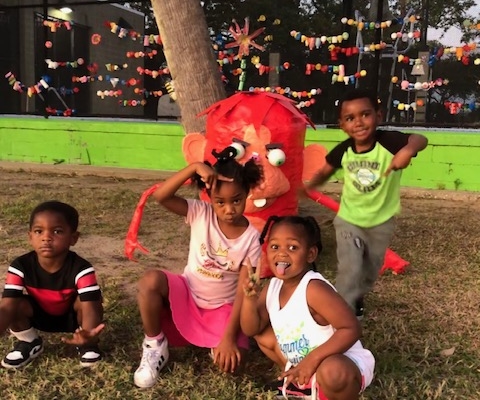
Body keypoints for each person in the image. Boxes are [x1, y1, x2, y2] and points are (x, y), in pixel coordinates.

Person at [133, 150, 263, 389]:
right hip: (187, 295)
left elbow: (243, 292)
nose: (229, 210)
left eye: (237, 200)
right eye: (220, 202)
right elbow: (161, 196)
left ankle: (214, 341)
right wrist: (194, 167)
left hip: (222, 308)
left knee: (235, 364)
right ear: (209, 197)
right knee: (150, 281)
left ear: (247, 194)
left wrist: (228, 338)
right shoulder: (200, 213)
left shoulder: (253, 239)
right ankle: (154, 344)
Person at [304, 89, 428, 318]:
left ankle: (356, 296)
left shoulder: (389, 141)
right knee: (350, 267)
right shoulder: (344, 150)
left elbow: (421, 139)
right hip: (349, 219)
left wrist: (408, 150)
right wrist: (309, 187)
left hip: (380, 222)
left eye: (365, 115)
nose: (359, 122)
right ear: (342, 125)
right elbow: (325, 170)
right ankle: (342, 312)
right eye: (350, 118)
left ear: (378, 116)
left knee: (369, 271)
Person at [240, 216, 375, 400]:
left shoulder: (314, 288)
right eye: (274, 246)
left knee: (333, 371)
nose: (281, 253)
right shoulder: (272, 286)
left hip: (341, 362)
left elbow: (351, 329)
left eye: (292, 247)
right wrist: (249, 299)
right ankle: (302, 384)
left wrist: (312, 360)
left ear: (310, 254)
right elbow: (251, 329)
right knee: (262, 334)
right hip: (303, 363)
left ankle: (326, 391)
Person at [0, 201, 104, 369]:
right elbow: (6, 308)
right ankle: (29, 342)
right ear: (30, 236)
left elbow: (91, 307)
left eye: (57, 231)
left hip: (72, 318)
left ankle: (87, 344)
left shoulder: (82, 268)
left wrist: (89, 333)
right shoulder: (20, 265)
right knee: (14, 303)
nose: (46, 237)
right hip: (39, 315)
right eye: (38, 231)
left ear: (73, 238)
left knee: (90, 300)